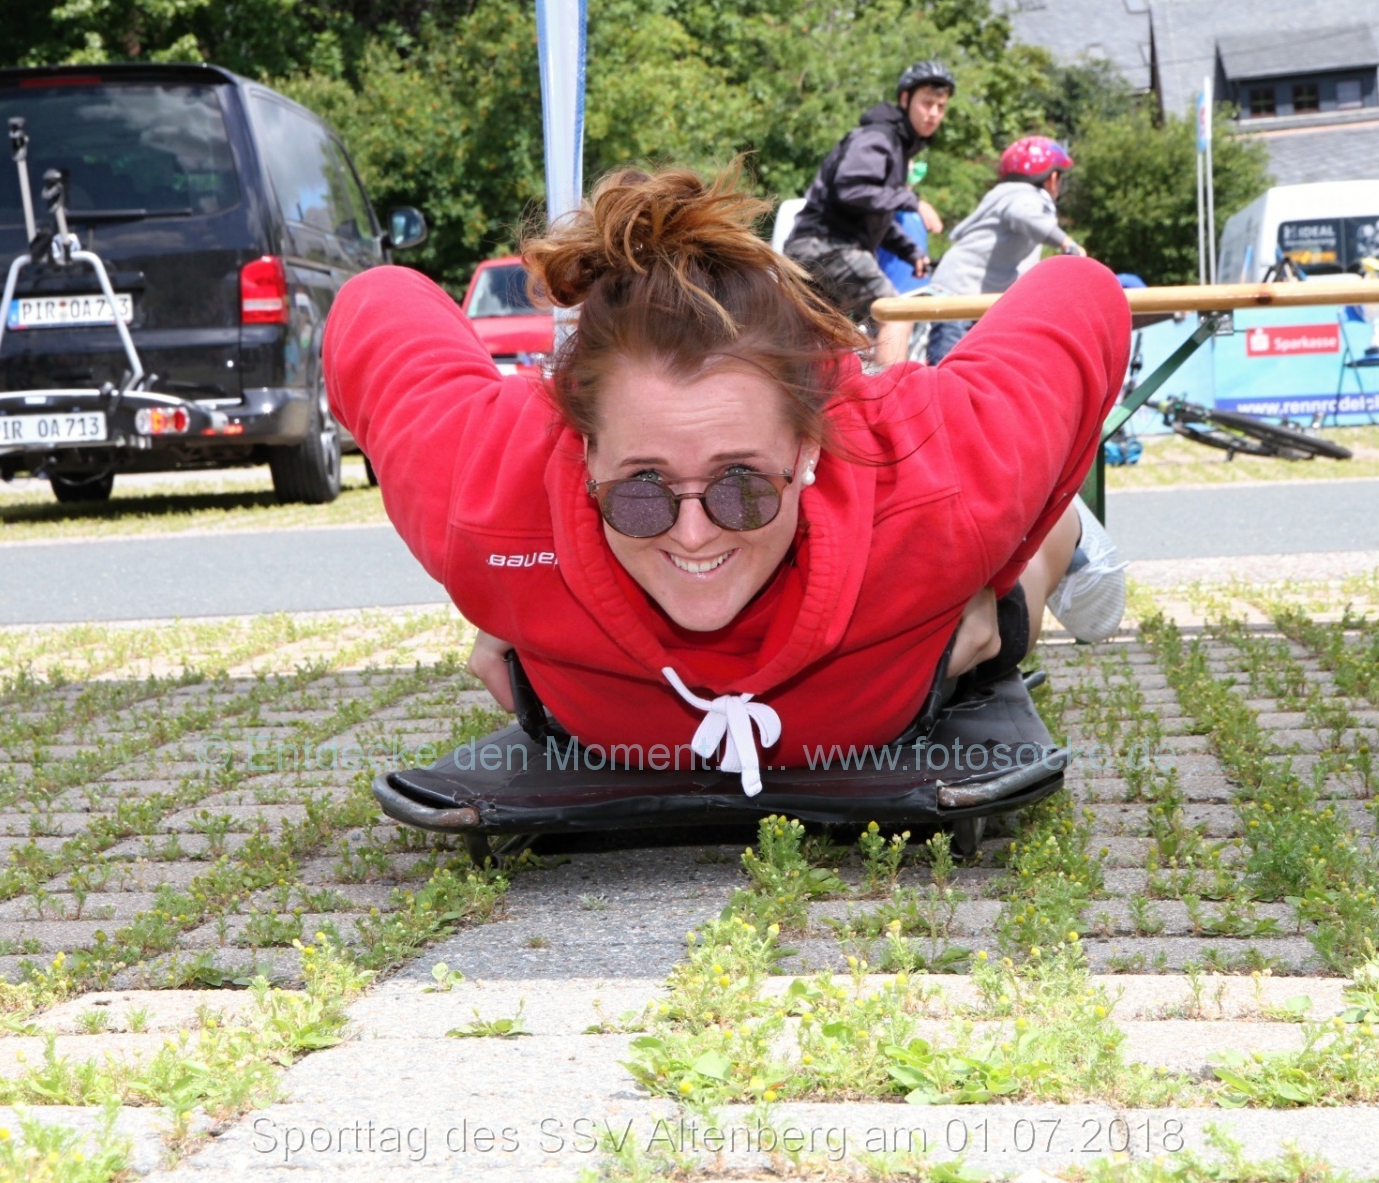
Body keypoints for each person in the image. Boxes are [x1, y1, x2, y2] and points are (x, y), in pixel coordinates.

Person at [324, 164, 1129, 798]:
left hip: (920, 623)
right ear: (585, 455)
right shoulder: (492, 497)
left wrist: (993, 566)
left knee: (1003, 599)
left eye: (741, 486)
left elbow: (1083, 293)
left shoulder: (931, 477)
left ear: (806, 452)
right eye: (641, 490)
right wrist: (512, 581)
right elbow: (373, 301)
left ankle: (1061, 537)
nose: (693, 534)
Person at [783, 61, 954, 366]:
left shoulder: (896, 145)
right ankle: (894, 396)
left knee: (815, 342)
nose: (934, 113)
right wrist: (912, 201)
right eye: (927, 103)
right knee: (896, 314)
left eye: (941, 107)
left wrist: (909, 252)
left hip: (818, 247)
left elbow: (873, 212)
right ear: (905, 99)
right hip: (827, 245)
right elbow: (851, 189)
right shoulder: (879, 137)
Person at [926, 136, 1086, 366]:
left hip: (966, 293)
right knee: (949, 371)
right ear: (1052, 178)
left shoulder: (1004, 193)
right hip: (960, 295)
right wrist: (1068, 244)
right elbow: (1023, 215)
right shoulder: (1025, 197)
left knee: (970, 371)